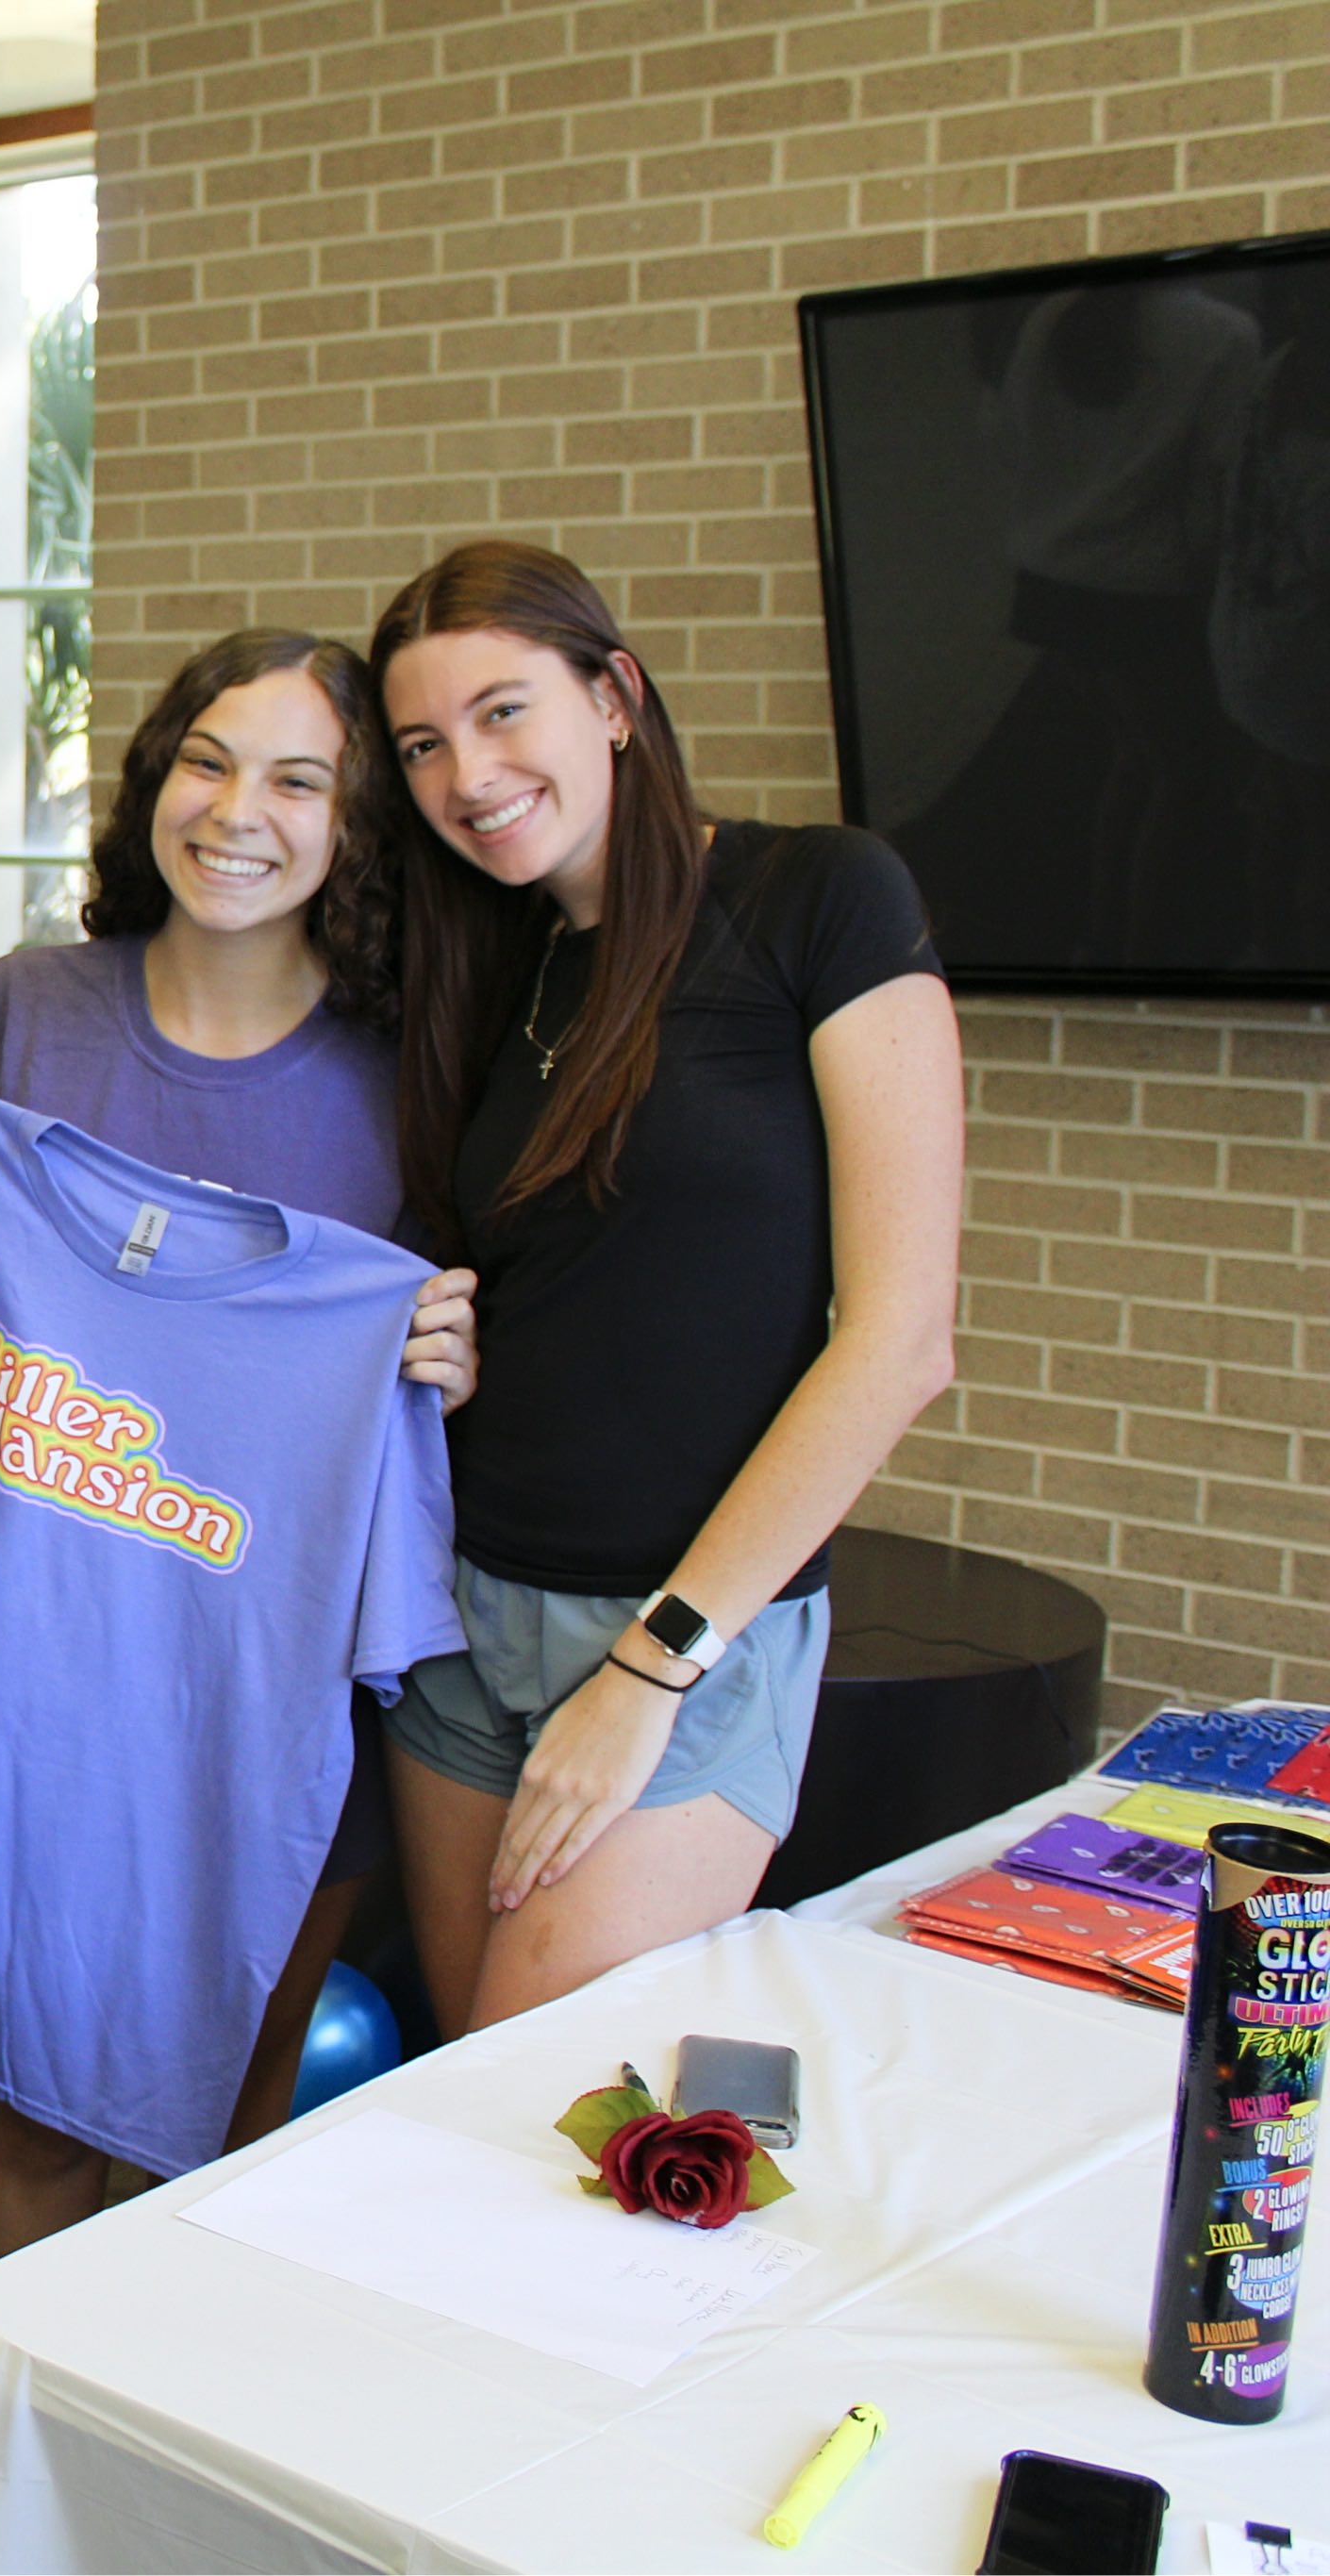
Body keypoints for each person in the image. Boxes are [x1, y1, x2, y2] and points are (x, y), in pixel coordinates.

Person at [0, 631, 478, 2287]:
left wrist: (446, 1358)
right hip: (51, 1696)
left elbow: (449, 1359)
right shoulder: (23, 1016)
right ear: (152, 782)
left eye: (298, 777)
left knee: (238, 2128)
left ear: (355, 824)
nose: (238, 810)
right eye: (205, 759)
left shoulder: (405, 1075)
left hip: (269, 1703)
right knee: (41, 2125)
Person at [372, 539, 960, 2033]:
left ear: (615, 696)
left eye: (505, 712)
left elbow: (897, 1345)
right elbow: (544, 1280)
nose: (468, 774)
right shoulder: (488, 969)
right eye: (424, 744)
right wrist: (450, 1337)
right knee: (460, 2104)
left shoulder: (816, 896)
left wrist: (656, 1663)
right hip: (464, 1610)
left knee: (533, 2103)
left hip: (683, 1631)